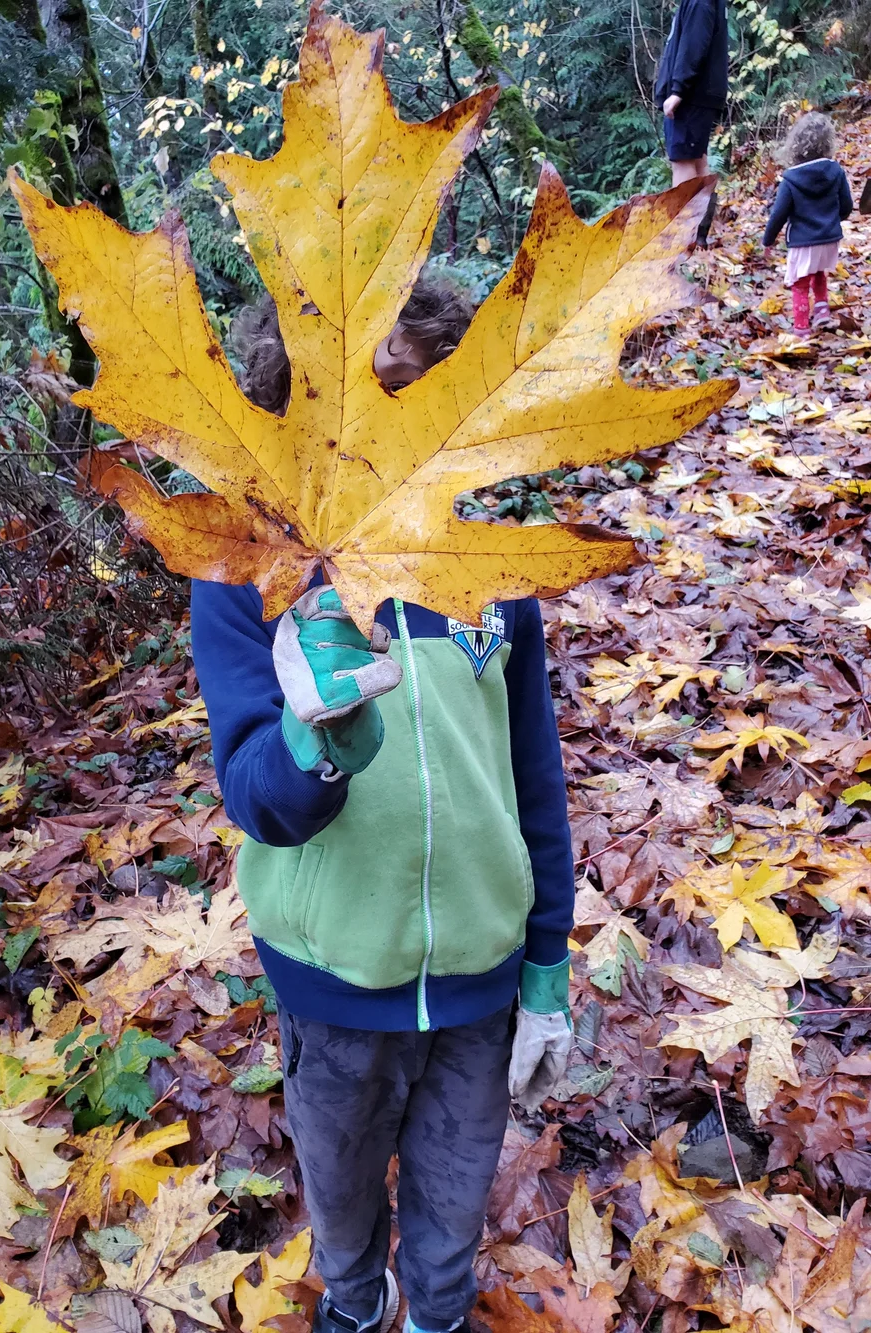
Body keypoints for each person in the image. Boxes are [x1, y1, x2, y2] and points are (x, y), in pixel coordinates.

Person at [191, 273, 575, 1333]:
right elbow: (254, 794)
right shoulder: (247, 575)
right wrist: (312, 741)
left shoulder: (490, 572)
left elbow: (533, 777)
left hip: (479, 983)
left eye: (412, 403)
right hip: (334, 986)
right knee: (344, 1198)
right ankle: (357, 1307)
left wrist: (546, 960)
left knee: (452, 1212)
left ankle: (434, 1314)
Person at [762, 112, 853, 335]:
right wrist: (833, 221)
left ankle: (801, 328)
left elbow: (779, 214)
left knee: (800, 283)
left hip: (803, 241)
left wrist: (768, 240)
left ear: (796, 144)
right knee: (820, 272)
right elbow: (847, 205)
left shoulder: (791, 179)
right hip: (830, 239)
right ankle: (822, 312)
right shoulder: (836, 170)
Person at [654, 0, 729, 246]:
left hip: (691, 96)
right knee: (697, 160)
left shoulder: (699, 2)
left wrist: (678, 91)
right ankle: (697, 238)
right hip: (697, 95)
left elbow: (694, 45)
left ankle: (684, 240)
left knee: (683, 162)